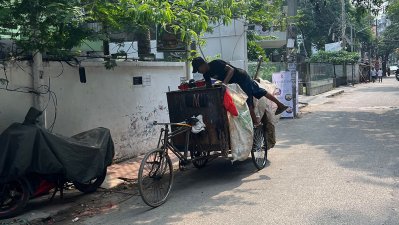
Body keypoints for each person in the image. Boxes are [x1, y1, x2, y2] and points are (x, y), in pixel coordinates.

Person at [192, 57, 288, 126]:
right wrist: (196, 89)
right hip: (235, 82)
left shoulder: (216, 63)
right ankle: (281, 105)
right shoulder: (206, 75)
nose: (199, 72)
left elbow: (231, 70)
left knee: (248, 99)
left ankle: (256, 122)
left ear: (203, 64)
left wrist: (224, 83)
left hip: (241, 76)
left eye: (198, 69)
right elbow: (208, 87)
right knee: (258, 91)